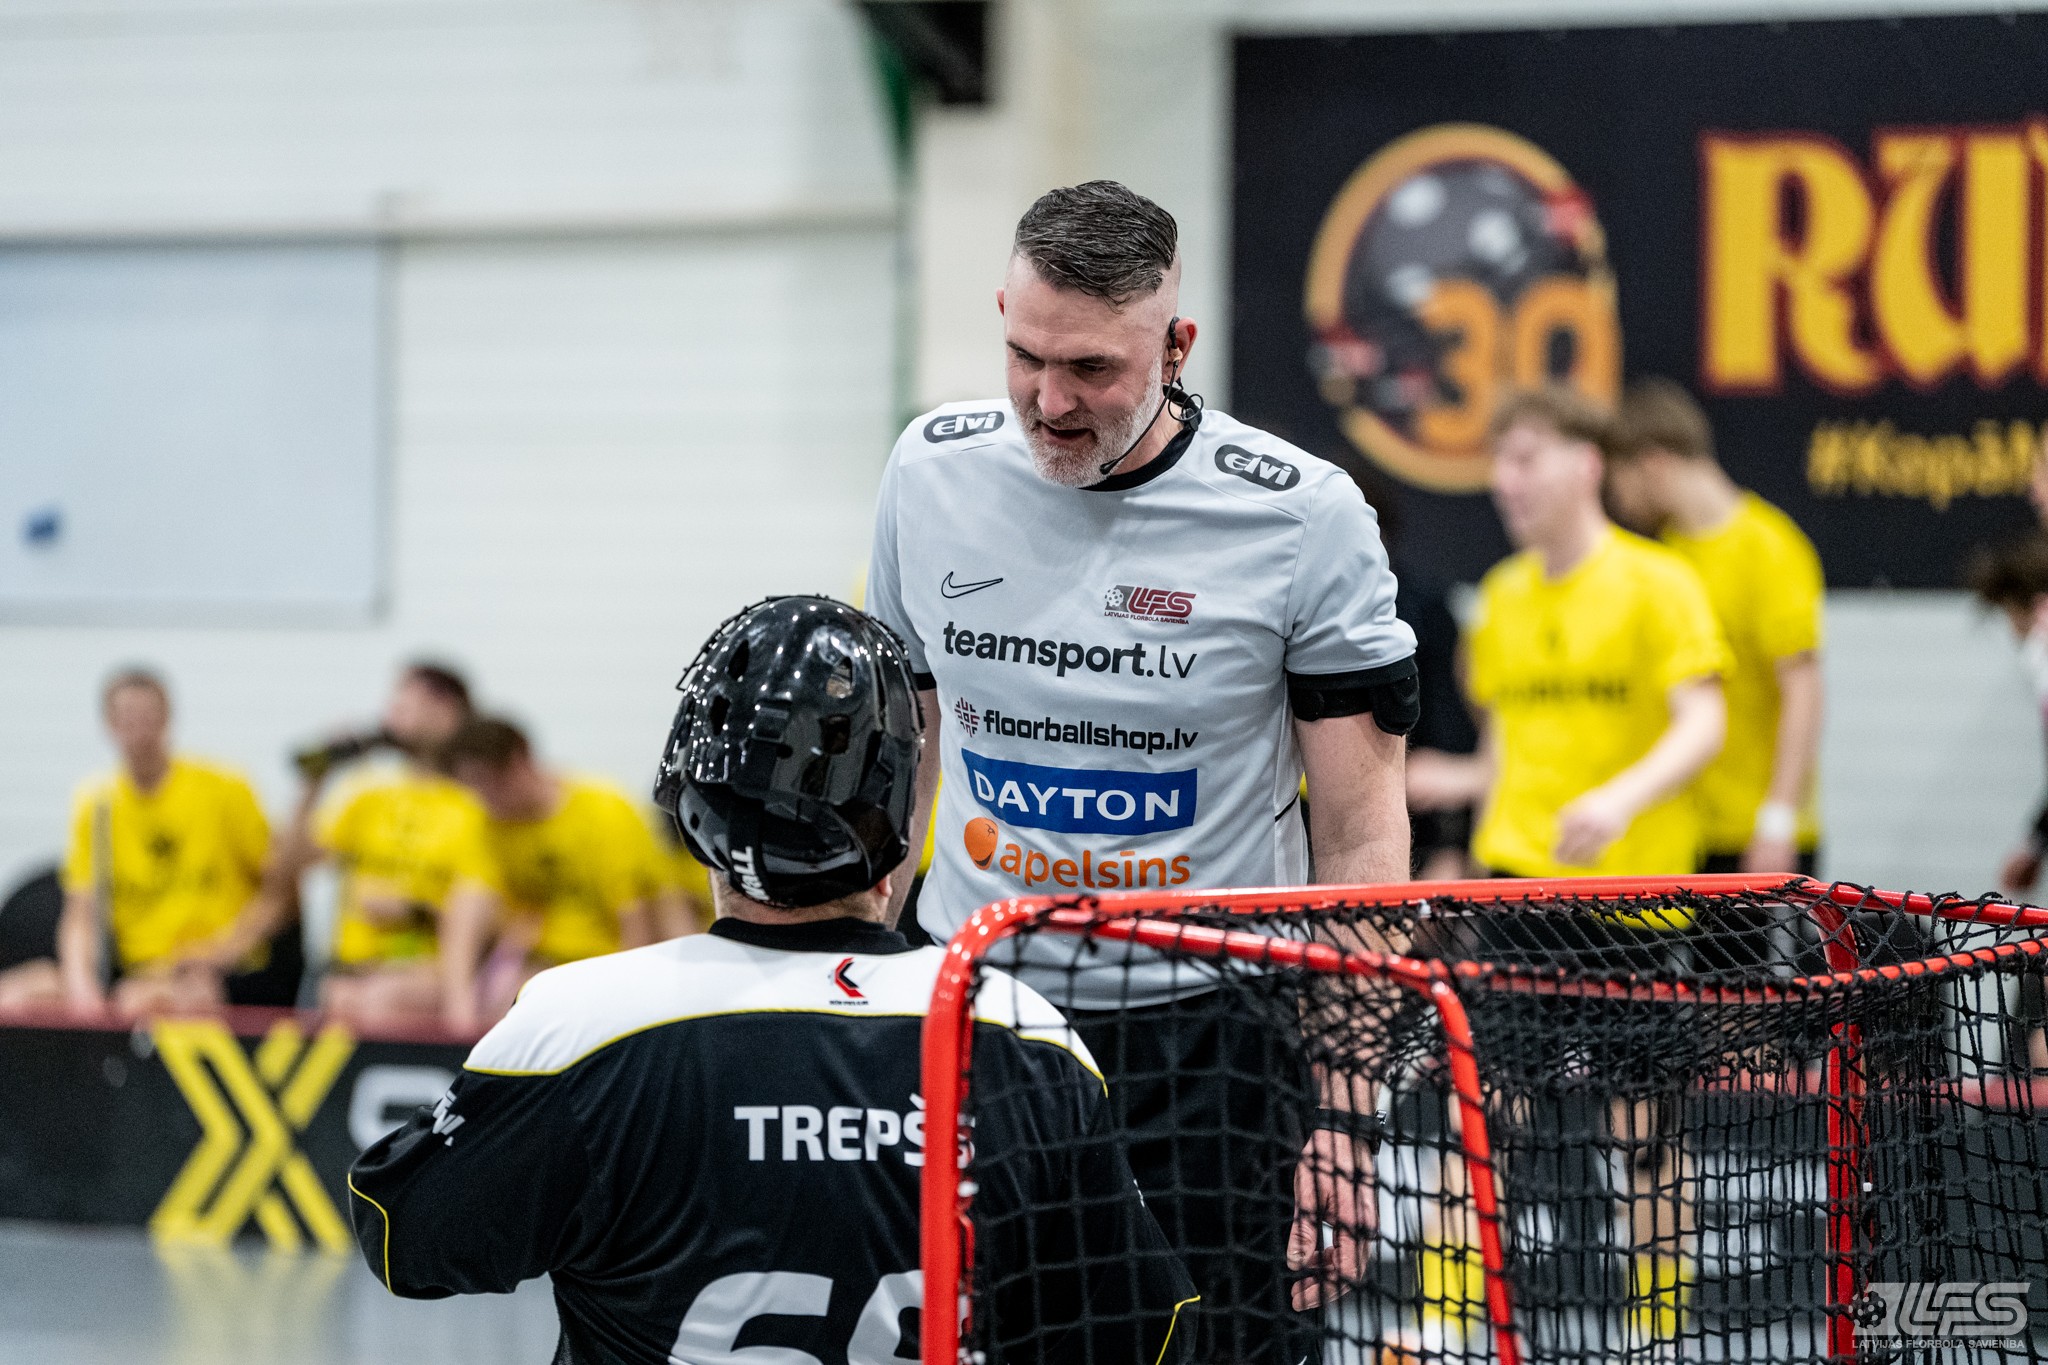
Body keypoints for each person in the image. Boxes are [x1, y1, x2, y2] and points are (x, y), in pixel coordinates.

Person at [865, 181, 1417, 1361]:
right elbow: (901, 754)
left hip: (1214, 1045)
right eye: (1024, 357)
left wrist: (1347, 1118)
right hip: (978, 1016)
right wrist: (859, 994)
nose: (1048, 402)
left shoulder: (1303, 519)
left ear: (1175, 348)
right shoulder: (926, 471)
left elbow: (1361, 837)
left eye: (1092, 371)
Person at [348, 597, 1195, 1365]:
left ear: (694, 797)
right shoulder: (1019, 1030)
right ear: (900, 812)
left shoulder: (583, 1023)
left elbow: (403, 1237)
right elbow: (1149, 1326)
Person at [1420, 386, 1730, 1352]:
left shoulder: (1659, 583)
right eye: (1499, 462)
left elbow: (1704, 720)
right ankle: (1444, 1321)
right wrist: (1457, 820)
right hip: (1518, 893)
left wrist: (1621, 799)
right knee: (1480, 1111)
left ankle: (1659, 1328)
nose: (1506, 481)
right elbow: (1508, 748)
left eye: (1527, 458)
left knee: (1647, 1132)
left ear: (1587, 462)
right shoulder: (1502, 597)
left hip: (1635, 904)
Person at [1604, 377, 1825, 876]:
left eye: (1619, 479)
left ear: (1653, 462)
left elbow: (1803, 691)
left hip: (1754, 828)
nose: (1618, 501)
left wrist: (1778, 816)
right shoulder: (1662, 558)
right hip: (1681, 827)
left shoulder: (1769, 548)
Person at [233, 663, 503, 1032]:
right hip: (351, 973)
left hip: (429, 974)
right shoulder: (368, 793)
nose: (397, 713)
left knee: (382, 1000)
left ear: (451, 712)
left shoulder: (478, 805)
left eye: (415, 703)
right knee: (342, 997)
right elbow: (286, 869)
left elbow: (493, 911)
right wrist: (313, 785)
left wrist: (414, 911)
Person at [0, 669, 278, 1017]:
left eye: (148, 717)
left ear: (167, 718)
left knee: (160, 1001)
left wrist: (224, 951)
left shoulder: (224, 788)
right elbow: (81, 912)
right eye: (127, 718)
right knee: (22, 993)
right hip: (137, 970)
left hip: (219, 970)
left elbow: (278, 893)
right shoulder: (97, 803)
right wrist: (80, 984)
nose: (139, 731)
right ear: (109, 724)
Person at [443, 716, 680, 1022]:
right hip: (542, 962)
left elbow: (637, 917)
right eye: (472, 787)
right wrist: (463, 1003)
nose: (482, 798)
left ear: (519, 763)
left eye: (487, 783)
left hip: (605, 961)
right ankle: (459, 1015)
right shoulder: (488, 822)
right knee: (471, 904)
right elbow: (471, 903)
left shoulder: (601, 810)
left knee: (529, 1002)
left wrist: (627, 1000)